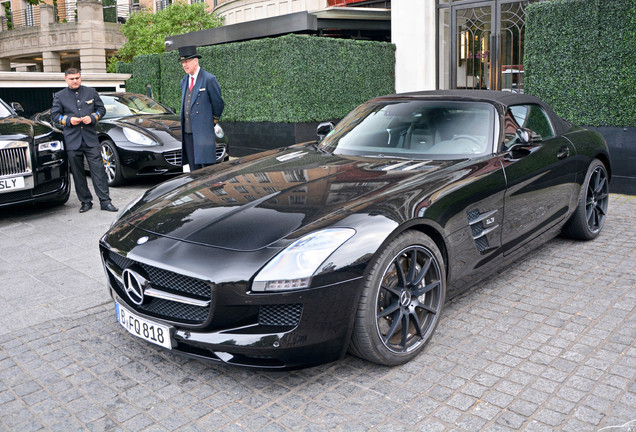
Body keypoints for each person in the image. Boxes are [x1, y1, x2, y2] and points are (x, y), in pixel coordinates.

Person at [51, 68, 118, 213]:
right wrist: (69, 120)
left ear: (80, 78)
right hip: (72, 140)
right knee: (78, 173)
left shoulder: (91, 92)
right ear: (66, 79)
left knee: (99, 171)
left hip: (90, 139)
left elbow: (101, 110)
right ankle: (86, 201)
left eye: (77, 78)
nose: (75, 81)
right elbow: (55, 116)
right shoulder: (60, 96)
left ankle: (105, 201)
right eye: (72, 78)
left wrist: (93, 117)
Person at [178, 45, 225, 171]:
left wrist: (211, 122)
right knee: (194, 171)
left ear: (196, 61)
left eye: (187, 61)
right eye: (183, 62)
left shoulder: (209, 79)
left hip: (203, 134)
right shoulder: (184, 81)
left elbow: (218, 104)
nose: (184, 65)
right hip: (188, 135)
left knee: (207, 172)